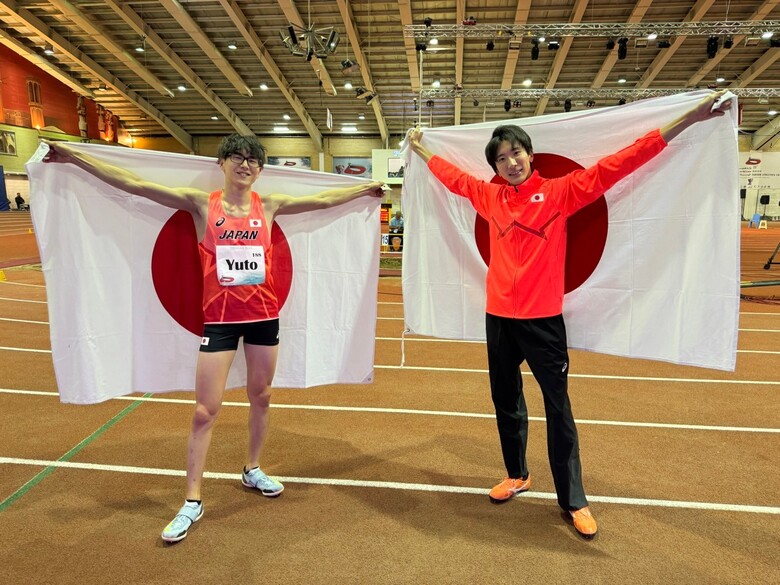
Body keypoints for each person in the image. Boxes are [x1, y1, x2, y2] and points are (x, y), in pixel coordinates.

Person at [407, 91, 731, 539]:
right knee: (506, 401)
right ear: (495, 167)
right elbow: (450, 176)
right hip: (498, 318)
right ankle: (517, 473)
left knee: (558, 409)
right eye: (501, 158)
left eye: (516, 152)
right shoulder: (488, 197)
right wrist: (419, 146)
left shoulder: (559, 192)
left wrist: (690, 118)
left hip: (543, 322)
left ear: (529, 154)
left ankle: (573, 499)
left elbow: (619, 163)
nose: (511, 162)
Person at [43, 135, 384, 543]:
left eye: (253, 160)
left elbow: (326, 201)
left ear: (260, 169)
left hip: (264, 318)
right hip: (220, 322)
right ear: (222, 163)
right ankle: (192, 500)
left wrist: (365, 188)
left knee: (262, 396)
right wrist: (76, 157)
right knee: (206, 410)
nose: (245, 164)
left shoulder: (269, 204)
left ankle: (252, 469)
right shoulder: (203, 204)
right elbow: (132, 183)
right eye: (238, 157)